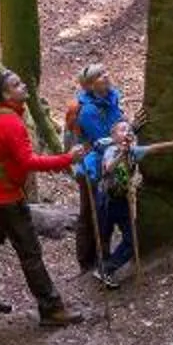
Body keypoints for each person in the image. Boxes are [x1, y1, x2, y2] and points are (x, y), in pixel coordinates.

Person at [0, 68, 83, 326]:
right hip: (5, 198)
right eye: (16, 84)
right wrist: (68, 158)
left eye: (21, 81)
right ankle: (52, 308)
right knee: (30, 251)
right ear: (5, 94)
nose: (23, 85)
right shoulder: (10, 122)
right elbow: (27, 162)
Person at [66, 66, 136, 283]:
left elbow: (118, 129)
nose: (106, 76)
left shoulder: (112, 99)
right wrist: (131, 129)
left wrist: (130, 130)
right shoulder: (88, 111)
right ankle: (88, 262)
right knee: (90, 214)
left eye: (105, 72)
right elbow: (105, 139)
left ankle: (103, 261)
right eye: (99, 75)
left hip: (110, 167)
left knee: (103, 213)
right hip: (92, 169)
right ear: (89, 85)